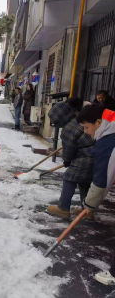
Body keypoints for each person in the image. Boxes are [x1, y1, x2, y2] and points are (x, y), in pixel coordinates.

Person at [74, 104, 115, 285]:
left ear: (99, 122)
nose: (86, 132)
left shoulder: (108, 141)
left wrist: (89, 205)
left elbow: (102, 179)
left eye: (87, 127)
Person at [46, 98, 95, 220]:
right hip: (96, 156)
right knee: (84, 183)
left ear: (60, 118)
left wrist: (67, 160)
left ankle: (63, 209)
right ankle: (87, 211)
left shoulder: (68, 129)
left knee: (69, 178)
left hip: (84, 157)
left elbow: (69, 150)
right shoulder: (79, 121)